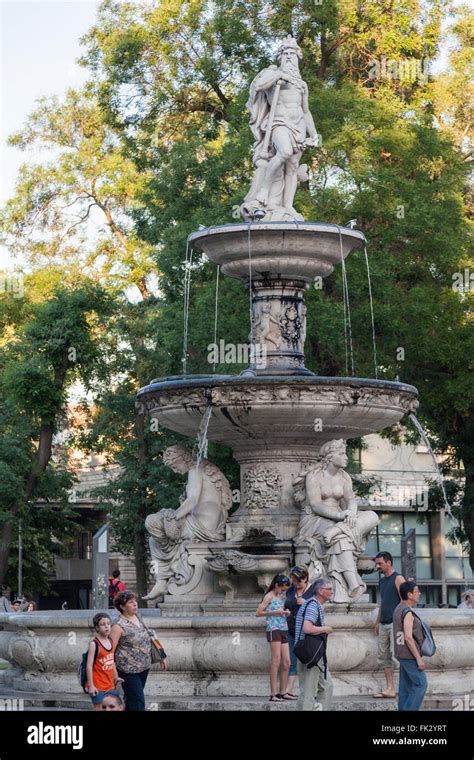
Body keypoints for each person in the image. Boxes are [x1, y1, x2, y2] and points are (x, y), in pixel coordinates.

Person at [242, 35, 319, 221]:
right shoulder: (272, 74)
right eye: (286, 52)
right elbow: (257, 86)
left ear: (298, 57)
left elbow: (306, 111)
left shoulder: (302, 84)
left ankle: (288, 207)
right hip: (278, 123)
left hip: (298, 128)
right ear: (281, 56)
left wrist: (314, 134)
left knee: (292, 167)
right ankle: (264, 190)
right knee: (284, 152)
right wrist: (279, 75)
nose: (290, 56)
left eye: (293, 53)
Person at [294, 439, 379, 602]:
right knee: (342, 540)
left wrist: (351, 513)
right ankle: (353, 583)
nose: (346, 457)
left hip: (341, 520)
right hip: (316, 520)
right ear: (330, 457)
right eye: (341, 453)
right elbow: (316, 505)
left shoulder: (344, 476)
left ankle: (337, 531)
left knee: (372, 516)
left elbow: (351, 500)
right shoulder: (314, 476)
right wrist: (342, 516)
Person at [145, 445, 233, 600]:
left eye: (174, 466)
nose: (174, 471)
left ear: (182, 458)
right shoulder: (201, 470)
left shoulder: (194, 471)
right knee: (154, 539)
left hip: (202, 524)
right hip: (210, 520)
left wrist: (173, 517)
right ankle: (161, 580)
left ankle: (161, 580)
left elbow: (192, 500)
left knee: (152, 522)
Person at [111, 591, 167, 711]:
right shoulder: (118, 626)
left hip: (144, 667)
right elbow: (110, 651)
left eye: (135, 601)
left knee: (131, 699)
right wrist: (114, 673)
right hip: (128, 670)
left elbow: (151, 635)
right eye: (130, 602)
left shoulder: (138, 617)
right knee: (138, 701)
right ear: (122, 606)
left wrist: (162, 655)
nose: (135, 604)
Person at [294, 577, 334, 711]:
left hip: (313, 654)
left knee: (326, 686)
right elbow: (307, 628)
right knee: (309, 691)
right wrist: (326, 629)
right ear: (320, 591)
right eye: (329, 589)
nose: (332, 592)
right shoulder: (312, 605)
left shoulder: (313, 604)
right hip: (311, 654)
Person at [373, 551, 405, 699]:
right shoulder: (382, 581)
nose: (377, 566)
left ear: (389, 562)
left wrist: (402, 622)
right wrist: (377, 622)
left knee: (397, 656)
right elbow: (384, 602)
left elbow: (405, 602)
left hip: (395, 624)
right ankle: (390, 688)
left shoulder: (398, 578)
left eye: (380, 563)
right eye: (377, 563)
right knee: (383, 657)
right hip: (384, 624)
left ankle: (405, 688)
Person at [256, 573, 292, 702]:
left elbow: (281, 610)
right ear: (277, 585)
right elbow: (258, 613)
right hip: (274, 629)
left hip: (283, 629)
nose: (283, 591)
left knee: (287, 662)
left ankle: (283, 692)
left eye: (285, 590)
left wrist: (286, 613)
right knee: (276, 660)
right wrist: (274, 612)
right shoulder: (269, 596)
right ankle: (272, 693)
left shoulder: (281, 596)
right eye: (282, 589)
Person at [284, 565, 318, 699]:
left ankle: (312, 690)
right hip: (291, 628)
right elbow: (287, 605)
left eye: (298, 581)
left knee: (310, 660)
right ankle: (289, 690)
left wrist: (306, 602)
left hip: (307, 630)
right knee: (291, 660)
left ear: (305, 578)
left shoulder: (314, 590)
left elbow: (320, 607)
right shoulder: (291, 590)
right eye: (293, 580)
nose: (295, 583)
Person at [393, 581, 428, 711]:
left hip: (401, 653)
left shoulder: (398, 608)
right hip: (409, 655)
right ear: (409, 594)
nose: (419, 593)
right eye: (416, 591)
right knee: (421, 684)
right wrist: (418, 658)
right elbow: (408, 637)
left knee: (405, 688)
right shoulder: (407, 612)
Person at [86, 613, 123, 711]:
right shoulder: (94, 644)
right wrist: (91, 686)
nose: (107, 626)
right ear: (97, 628)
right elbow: (89, 666)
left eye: (108, 624)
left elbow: (112, 661)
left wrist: (115, 677)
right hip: (98, 686)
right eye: (103, 624)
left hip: (109, 684)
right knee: (99, 708)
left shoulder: (110, 641)